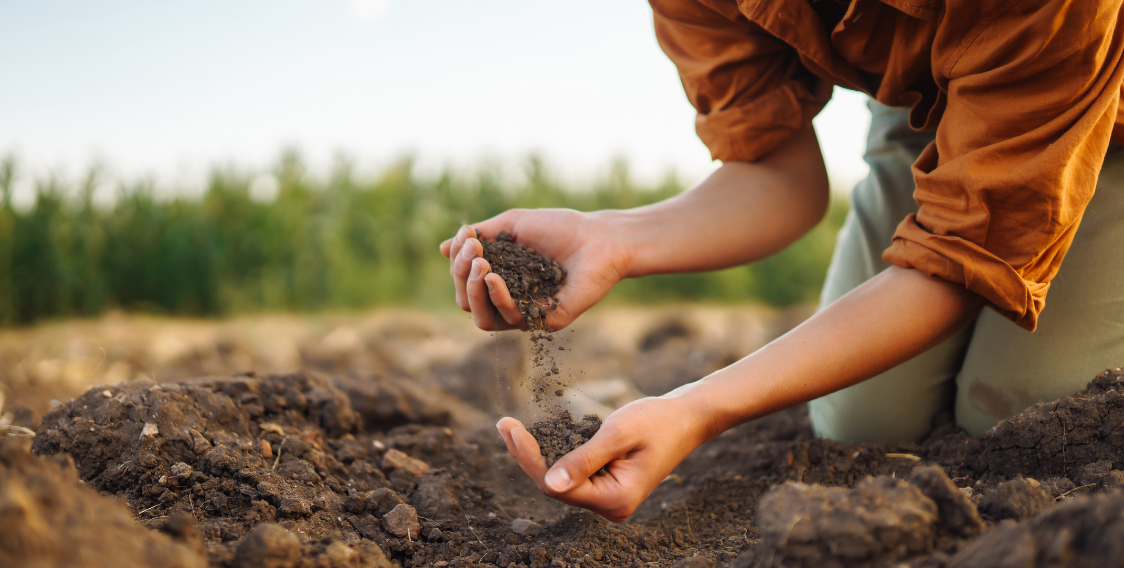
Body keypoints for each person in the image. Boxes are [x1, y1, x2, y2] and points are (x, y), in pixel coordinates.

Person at [440, 0, 1124, 522]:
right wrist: (615, 237)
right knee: (863, 424)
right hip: (936, 98)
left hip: (1092, 86)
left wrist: (698, 408)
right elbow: (777, 174)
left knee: (1024, 415)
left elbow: (960, 256)